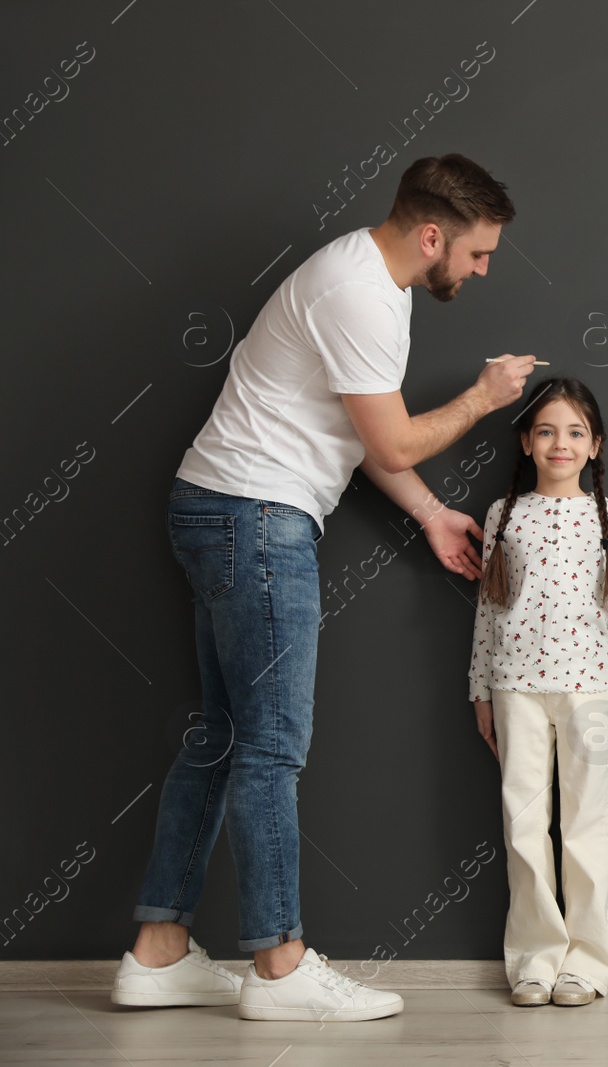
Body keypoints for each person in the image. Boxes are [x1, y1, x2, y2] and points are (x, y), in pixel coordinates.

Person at [111, 153, 542, 1022]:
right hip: (256, 520)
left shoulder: (366, 280)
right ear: (433, 235)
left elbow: (362, 433)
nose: (482, 269)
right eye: (478, 253)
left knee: (225, 736)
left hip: (220, 505)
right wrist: (485, 398)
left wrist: (427, 513)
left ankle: (157, 953)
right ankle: (280, 965)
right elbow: (389, 442)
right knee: (273, 745)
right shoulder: (359, 294)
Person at [468, 377, 608, 1008]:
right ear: (526, 442)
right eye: (546, 431)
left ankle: (588, 963)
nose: (559, 443)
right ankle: (535, 960)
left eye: (574, 432)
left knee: (588, 825)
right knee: (523, 824)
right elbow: (488, 607)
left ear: (594, 445)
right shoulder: (503, 517)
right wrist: (480, 689)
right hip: (515, 688)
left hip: (590, 688)